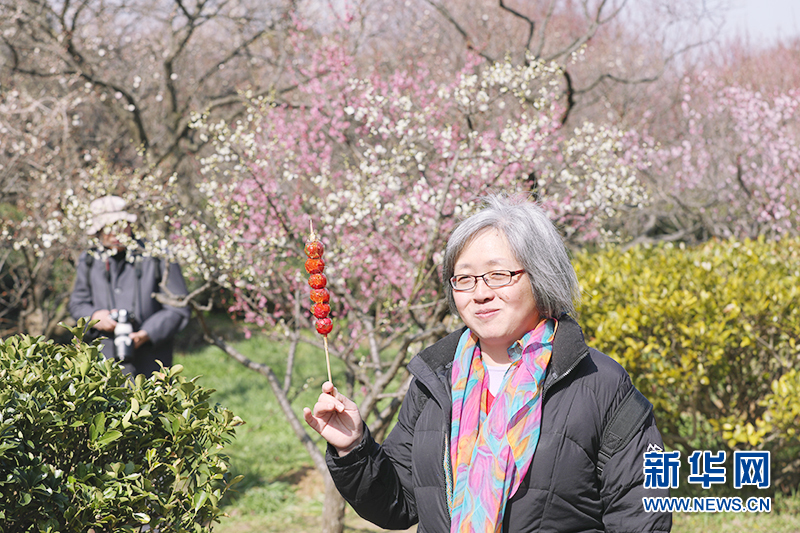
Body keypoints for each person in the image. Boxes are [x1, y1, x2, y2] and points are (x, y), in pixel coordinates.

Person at [304, 194, 671, 532]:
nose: (480, 293)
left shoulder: (600, 384)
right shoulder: (435, 379)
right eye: (464, 279)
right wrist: (353, 448)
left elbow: (641, 517)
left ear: (542, 277)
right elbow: (399, 504)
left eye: (498, 275)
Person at [69, 195, 191, 378]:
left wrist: (147, 333)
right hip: (103, 365)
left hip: (151, 363)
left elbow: (178, 308)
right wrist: (96, 317)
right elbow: (77, 304)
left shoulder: (157, 256)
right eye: (107, 228)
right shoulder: (90, 260)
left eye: (120, 225)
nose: (114, 233)